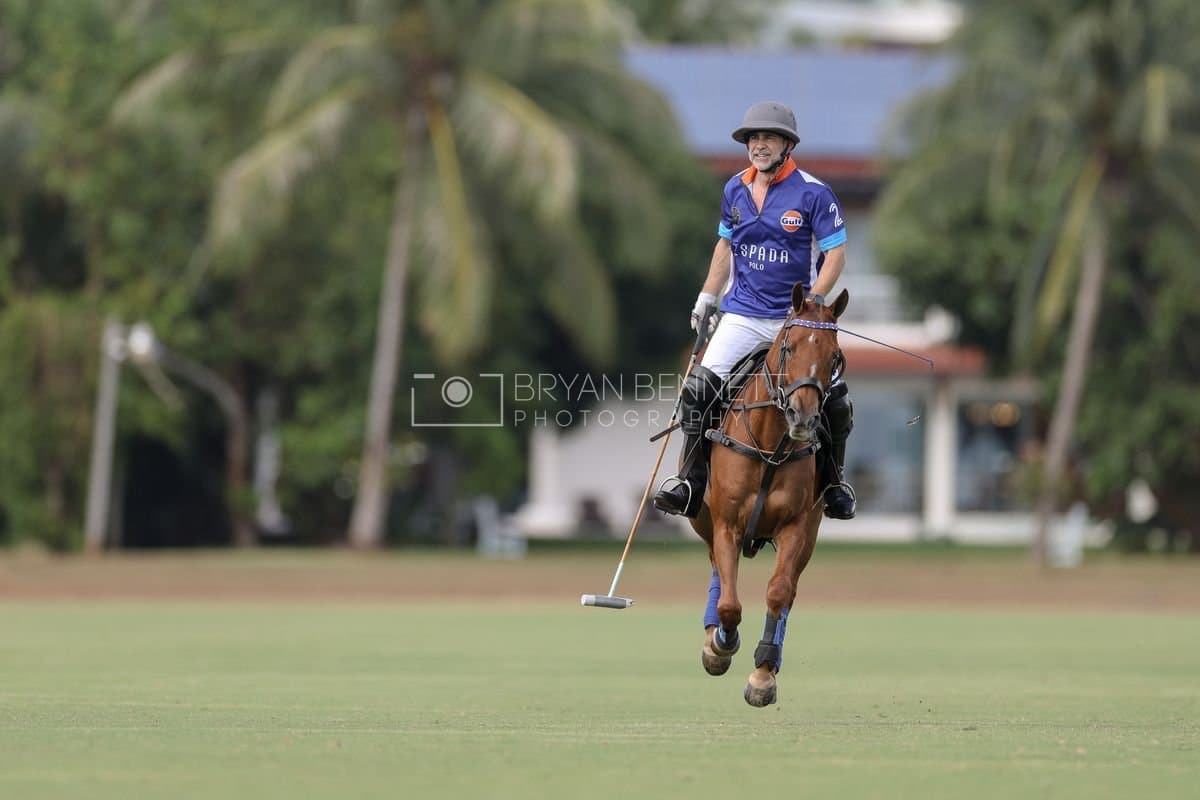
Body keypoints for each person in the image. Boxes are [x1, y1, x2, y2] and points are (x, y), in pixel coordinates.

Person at [653, 100, 856, 520]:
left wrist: (813, 304)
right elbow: (726, 247)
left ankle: (835, 484)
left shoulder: (814, 192)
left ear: (787, 144)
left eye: (768, 138)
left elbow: (835, 256)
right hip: (743, 314)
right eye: (754, 138)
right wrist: (707, 297)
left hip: (793, 319)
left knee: (835, 398)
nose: (759, 145)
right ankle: (691, 482)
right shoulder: (734, 189)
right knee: (697, 390)